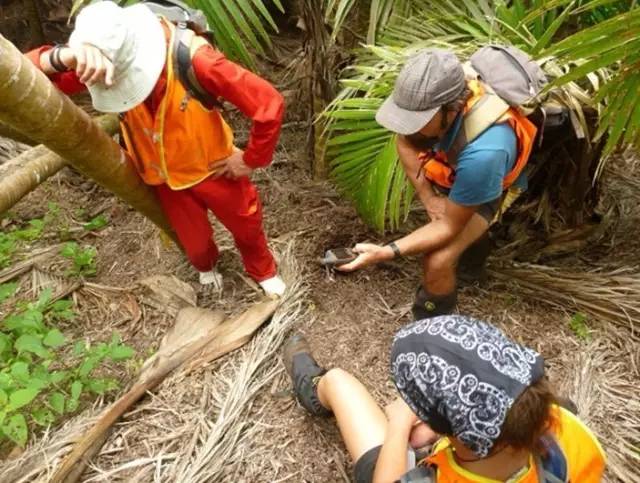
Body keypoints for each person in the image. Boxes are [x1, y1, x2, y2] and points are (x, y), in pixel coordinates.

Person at [26, 1, 286, 297]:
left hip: (212, 166)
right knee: (196, 245)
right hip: (162, 177)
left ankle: (263, 270)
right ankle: (208, 265)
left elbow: (269, 103)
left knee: (245, 225)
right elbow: (20, 72)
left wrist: (251, 159)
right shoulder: (101, 55)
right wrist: (63, 57)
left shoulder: (197, 59)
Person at [283, 315, 605, 483]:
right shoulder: (571, 430)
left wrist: (398, 425)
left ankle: (313, 383)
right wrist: (446, 432)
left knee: (339, 382)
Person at [337, 50, 536, 318]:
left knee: (438, 259)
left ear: (451, 109)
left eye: (416, 121)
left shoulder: (485, 154)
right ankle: (471, 266)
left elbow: (449, 225)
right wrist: (430, 198)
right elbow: (404, 140)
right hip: (462, 171)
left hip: (492, 182)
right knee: (460, 222)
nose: (408, 128)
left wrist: (386, 252)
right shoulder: (424, 110)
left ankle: (432, 323)